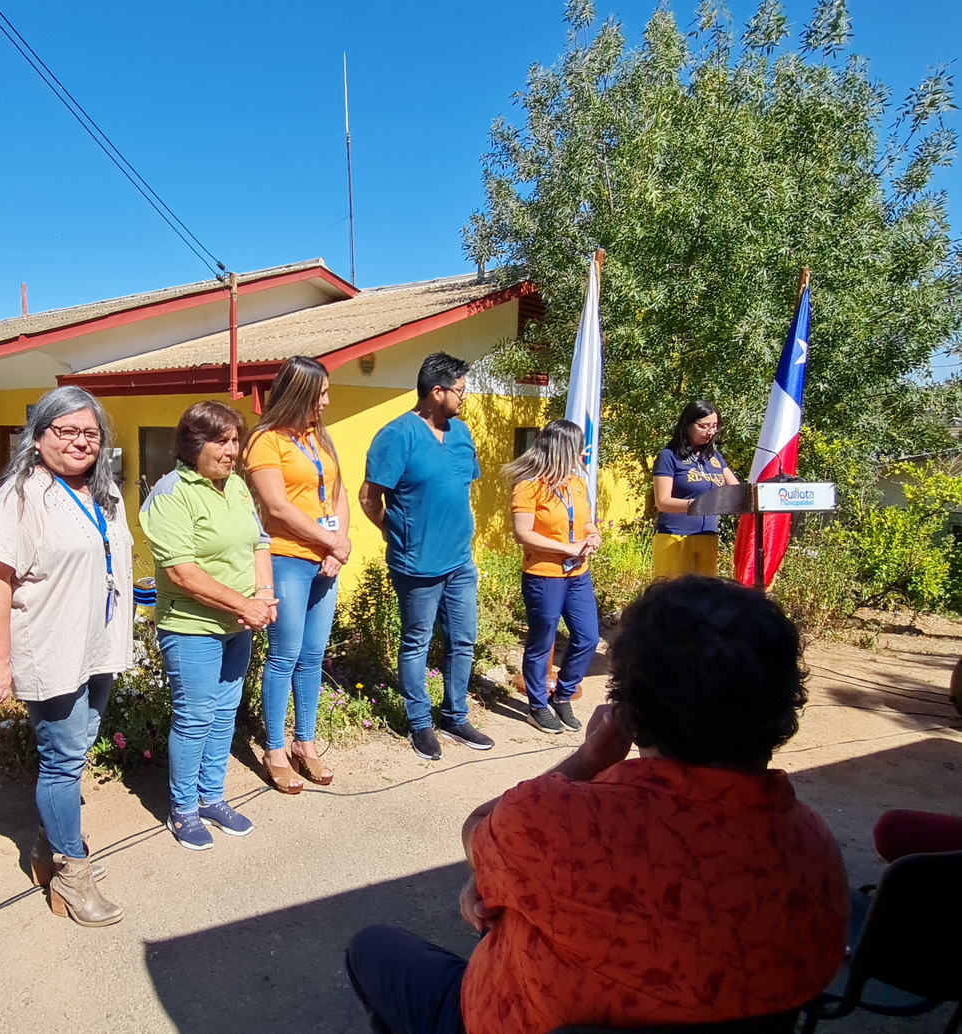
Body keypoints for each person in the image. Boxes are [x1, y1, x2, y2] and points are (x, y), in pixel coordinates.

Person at [345, 575, 850, 1034]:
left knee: (372, 948)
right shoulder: (813, 849)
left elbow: (481, 829)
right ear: (781, 704)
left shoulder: (562, 825)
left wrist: (589, 756)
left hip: (508, 1017)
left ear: (631, 702)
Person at [0, 386, 132, 927]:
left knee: (78, 749)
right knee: (62, 759)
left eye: (90, 433)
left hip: (98, 645)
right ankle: (71, 871)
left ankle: (49, 850)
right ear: (38, 437)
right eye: (65, 431)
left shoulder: (103, 493)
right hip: (52, 646)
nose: (79, 442)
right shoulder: (22, 495)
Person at [140, 401, 275, 850]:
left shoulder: (235, 486)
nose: (231, 450)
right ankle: (182, 810)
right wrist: (244, 603)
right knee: (195, 718)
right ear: (194, 444)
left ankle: (212, 797)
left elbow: (259, 541)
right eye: (221, 441)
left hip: (238, 624)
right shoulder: (170, 493)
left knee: (223, 715)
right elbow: (181, 571)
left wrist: (263, 596)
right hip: (192, 626)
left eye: (236, 440)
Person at [360, 352, 492, 761]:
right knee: (416, 641)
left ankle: (455, 715)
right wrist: (395, 531)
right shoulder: (396, 435)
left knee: (463, 640)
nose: (464, 398)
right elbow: (369, 498)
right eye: (460, 391)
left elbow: (461, 489)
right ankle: (420, 724)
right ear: (437, 392)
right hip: (417, 564)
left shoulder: (461, 433)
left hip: (459, 561)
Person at [244, 357, 350, 793]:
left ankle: (304, 744)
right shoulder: (265, 441)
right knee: (284, 656)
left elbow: (339, 493)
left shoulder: (318, 438)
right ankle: (273, 748)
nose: (326, 401)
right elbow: (277, 508)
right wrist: (330, 543)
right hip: (287, 558)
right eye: (320, 393)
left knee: (312, 657)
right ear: (299, 394)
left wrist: (339, 546)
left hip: (326, 562)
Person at [504, 419, 601, 735]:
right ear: (562, 448)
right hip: (544, 575)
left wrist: (592, 535)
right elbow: (523, 533)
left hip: (577, 574)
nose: (582, 453)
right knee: (542, 642)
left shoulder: (576, 483)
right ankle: (536, 706)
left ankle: (562, 695)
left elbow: (585, 522)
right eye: (578, 447)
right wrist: (567, 546)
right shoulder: (529, 485)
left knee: (587, 637)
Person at [652, 401, 740, 578]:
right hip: (675, 536)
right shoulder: (669, 456)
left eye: (715, 426)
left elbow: (736, 490)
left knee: (704, 598)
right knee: (675, 597)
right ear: (687, 425)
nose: (711, 431)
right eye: (704, 426)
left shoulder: (714, 457)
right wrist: (698, 505)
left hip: (708, 535)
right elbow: (662, 502)